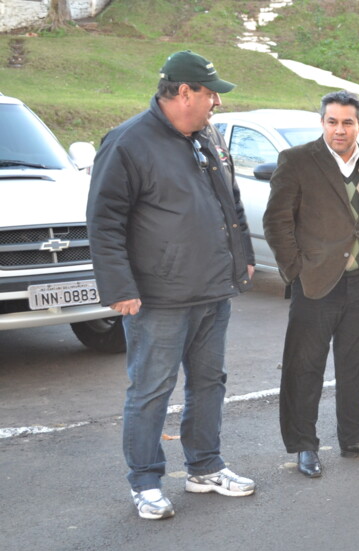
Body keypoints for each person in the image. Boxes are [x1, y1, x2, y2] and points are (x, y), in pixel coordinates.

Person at [87, 50, 257, 520]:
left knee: (209, 383)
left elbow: (232, 205)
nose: (217, 103)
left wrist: (241, 261)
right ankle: (145, 481)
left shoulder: (208, 137)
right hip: (158, 297)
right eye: (211, 94)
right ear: (185, 93)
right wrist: (119, 287)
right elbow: (104, 223)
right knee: (151, 389)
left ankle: (205, 468)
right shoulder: (127, 143)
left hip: (212, 291)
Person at [263, 90, 359, 478]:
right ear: (322, 122)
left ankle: (353, 437)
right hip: (316, 283)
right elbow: (277, 223)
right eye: (331, 121)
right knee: (304, 368)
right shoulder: (296, 161)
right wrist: (296, 270)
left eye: (347, 122)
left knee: (358, 365)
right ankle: (304, 446)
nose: (339, 130)